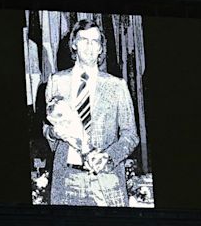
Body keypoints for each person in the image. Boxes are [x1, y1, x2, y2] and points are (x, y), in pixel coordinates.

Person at [43, 19, 139, 207]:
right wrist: (54, 133)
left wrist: (108, 157)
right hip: (66, 178)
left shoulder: (117, 85)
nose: (89, 46)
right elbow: (46, 128)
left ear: (101, 48)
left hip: (107, 179)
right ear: (74, 44)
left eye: (95, 41)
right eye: (83, 40)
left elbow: (130, 136)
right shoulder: (56, 81)